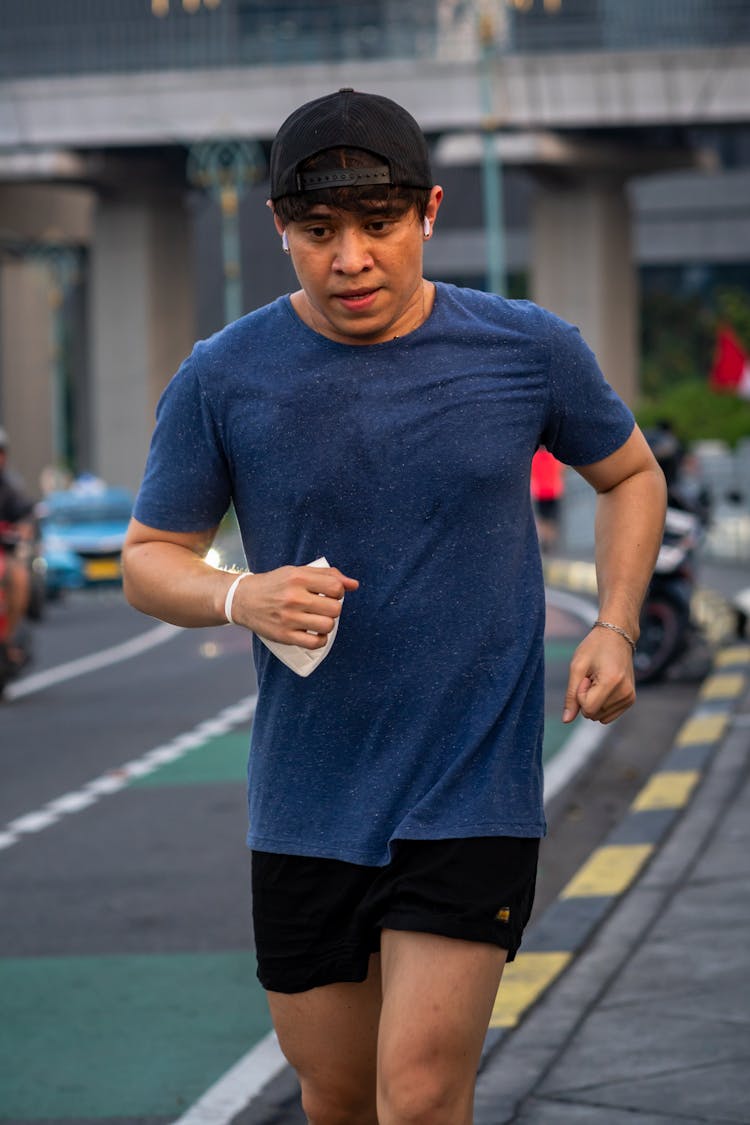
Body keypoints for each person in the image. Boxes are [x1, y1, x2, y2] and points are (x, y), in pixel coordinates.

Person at [122, 89, 667, 1125]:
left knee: (416, 1095)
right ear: (279, 228)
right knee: (336, 1093)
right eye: (320, 233)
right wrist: (242, 594)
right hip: (307, 799)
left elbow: (631, 476)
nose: (351, 259)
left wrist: (615, 622)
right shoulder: (224, 376)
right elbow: (149, 559)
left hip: (469, 788)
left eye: (379, 227)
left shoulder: (525, 348)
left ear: (429, 212)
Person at [0, 427, 34, 663]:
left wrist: (21, 532)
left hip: (3, 554)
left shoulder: (10, 488)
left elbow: (25, 517)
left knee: (19, 577)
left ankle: (7, 638)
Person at [530, 445, 565, 552]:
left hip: (540, 491)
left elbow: (532, 473)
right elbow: (561, 470)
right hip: (554, 491)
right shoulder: (554, 457)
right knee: (552, 517)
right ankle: (550, 541)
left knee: (542, 517)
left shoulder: (535, 457)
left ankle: (545, 540)